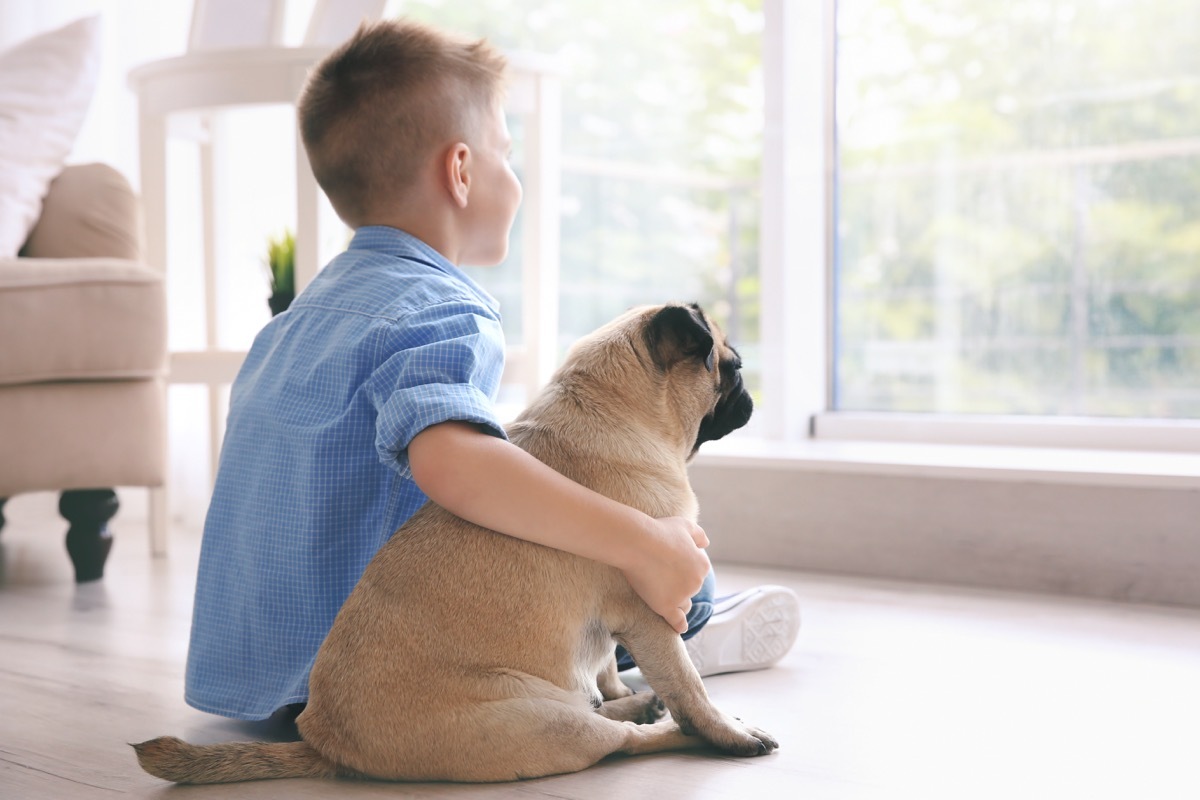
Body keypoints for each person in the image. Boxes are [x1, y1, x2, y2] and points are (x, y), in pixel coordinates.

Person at [185, 18, 799, 722]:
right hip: (378, 677)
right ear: (462, 170)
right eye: (508, 154)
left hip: (255, 683)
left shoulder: (293, 325)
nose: (516, 175)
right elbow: (459, 468)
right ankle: (687, 647)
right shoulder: (440, 309)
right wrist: (640, 539)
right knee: (687, 580)